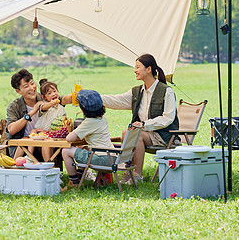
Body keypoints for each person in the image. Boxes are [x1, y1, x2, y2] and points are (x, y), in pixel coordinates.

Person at [100, 54, 179, 185]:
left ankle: (137, 175)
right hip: (146, 134)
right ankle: (129, 170)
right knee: (127, 132)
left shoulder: (166, 91)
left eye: (138, 67)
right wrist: (94, 97)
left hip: (164, 136)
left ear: (148, 69)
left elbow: (168, 118)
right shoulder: (137, 91)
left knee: (136, 134)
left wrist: (144, 124)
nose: (135, 70)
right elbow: (116, 100)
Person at [61, 89, 114, 190]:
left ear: (82, 109)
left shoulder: (89, 122)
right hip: (112, 157)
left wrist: (70, 130)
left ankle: (74, 182)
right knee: (85, 149)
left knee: (66, 151)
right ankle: (80, 176)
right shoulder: (103, 118)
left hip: (101, 160)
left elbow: (69, 138)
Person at [5, 69, 43, 159]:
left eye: (32, 83)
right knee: (25, 143)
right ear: (18, 91)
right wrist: (31, 113)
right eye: (26, 86)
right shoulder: (14, 106)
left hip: (44, 142)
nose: (31, 88)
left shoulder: (43, 97)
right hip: (22, 148)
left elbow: (61, 99)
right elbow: (11, 129)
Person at [34, 78, 67, 161]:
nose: (53, 94)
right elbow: (43, 108)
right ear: (44, 97)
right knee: (32, 132)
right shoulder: (44, 105)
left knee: (47, 143)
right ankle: (29, 156)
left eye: (55, 91)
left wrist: (47, 133)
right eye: (49, 93)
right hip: (38, 133)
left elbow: (61, 125)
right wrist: (52, 103)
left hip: (51, 135)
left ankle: (49, 166)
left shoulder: (61, 109)